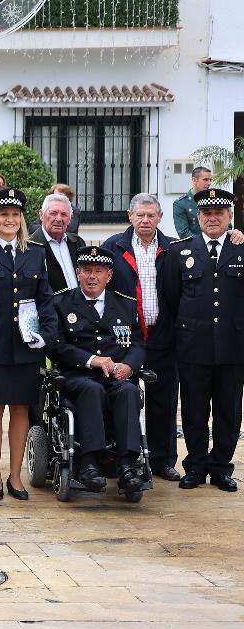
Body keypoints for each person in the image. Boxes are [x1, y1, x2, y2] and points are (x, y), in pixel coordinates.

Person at [0, 188, 56, 501]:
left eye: (15, 215)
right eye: (4, 215)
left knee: (21, 411)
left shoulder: (36, 253)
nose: (10, 220)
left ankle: (16, 476)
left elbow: (45, 300)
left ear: (22, 219)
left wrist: (46, 334)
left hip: (27, 346)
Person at [46, 247, 148, 494]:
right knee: (91, 389)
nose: (92, 277)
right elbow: (56, 346)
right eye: (87, 271)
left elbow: (137, 344)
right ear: (78, 273)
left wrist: (129, 366)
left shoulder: (125, 304)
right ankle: (89, 464)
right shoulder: (61, 303)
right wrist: (92, 360)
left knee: (129, 392)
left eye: (98, 272)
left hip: (117, 376)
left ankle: (126, 466)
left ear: (109, 276)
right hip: (78, 376)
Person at [100, 194, 182, 481]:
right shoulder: (114, 246)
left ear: (160, 217)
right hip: (125, 339)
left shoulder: (174, 248)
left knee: (163, 399)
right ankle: (120, 457)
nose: (145, 221)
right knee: (121, 396)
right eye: (140, 215)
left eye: (151, 215)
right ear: (129, 216)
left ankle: (162, 460)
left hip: (163, 334)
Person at [167, 187, 243, 492]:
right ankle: (195, 466)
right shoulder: (180, 251)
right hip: (193, 346)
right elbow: (172, 299)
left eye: (218, 213)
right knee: (195, 411)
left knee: (229, 411)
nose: (212, 218)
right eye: (207, 213)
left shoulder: (242, 250)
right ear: (198, 217)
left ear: (230, 217)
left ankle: (222, 468)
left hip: (233, 347)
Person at [29, 193, 84, 293]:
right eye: (53, 213)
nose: (59, 219)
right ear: (41, 215)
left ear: (70, 219)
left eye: (64, 214)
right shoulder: (30, 246)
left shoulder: (77, 242)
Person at [172, 166, 213, 239]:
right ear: (194, 180)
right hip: (194, 246)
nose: (209, 183)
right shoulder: (181, 203)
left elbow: (226, 224)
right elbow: (183, 233)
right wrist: (206, 242)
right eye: (205, 180)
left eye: (210, 180)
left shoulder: (213, 199)